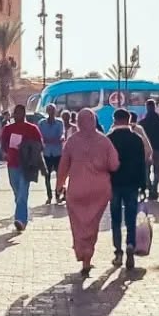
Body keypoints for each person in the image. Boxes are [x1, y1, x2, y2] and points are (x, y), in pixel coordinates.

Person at [56, 109, 120, 277]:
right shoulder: (104, 141)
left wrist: (59, 184)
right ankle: (88, 257)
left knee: (78, 223)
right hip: (99, 190)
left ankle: (80, 250)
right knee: (92, 224)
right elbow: (114, 165)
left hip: (77, 189)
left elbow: (63, 166)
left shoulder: (72, 141)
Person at [107, 108, 149, 269]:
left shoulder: (109, 139)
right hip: (132, 184)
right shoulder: (137, 139)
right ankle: (131, 244)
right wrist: (143, 185)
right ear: (128, 119)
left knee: (116, 218)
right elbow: (141, 164)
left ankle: (118, 251)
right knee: (131, 218)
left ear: (115, 120)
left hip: (115, 183)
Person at [1, 103, 44, 234]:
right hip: (12, 164)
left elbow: (40, 146)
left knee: (23, 192)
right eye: (15, 113)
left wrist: (28, 147)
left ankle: (21, 220)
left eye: (19, 113)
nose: (16, 115)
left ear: (24, 114)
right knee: (16, 192)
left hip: (26, 165)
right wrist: (5, 152)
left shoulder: (32, 129)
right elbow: (3, 145)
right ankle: (22, 212)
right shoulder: (8, 129)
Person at [141, 100, 159, 198]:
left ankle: (149, 187)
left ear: (146, 107)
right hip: (158, 149)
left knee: (146, 171)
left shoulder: (142, 122)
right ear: (155, 107)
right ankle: (154, 189)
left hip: (146, 150)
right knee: (157, 170)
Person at [39, 103, 66, 200]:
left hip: (57, 153)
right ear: (47, 111)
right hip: (46, 153)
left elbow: (62, 135)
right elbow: (40, 137)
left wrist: (60, 138)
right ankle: (49, 195)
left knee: (60, 176)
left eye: (53, 110)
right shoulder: (42, 123)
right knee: (47, 176)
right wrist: (49, 140)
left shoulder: (59, 122)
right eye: (49, 110)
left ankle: (58, 193)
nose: (51, 112)